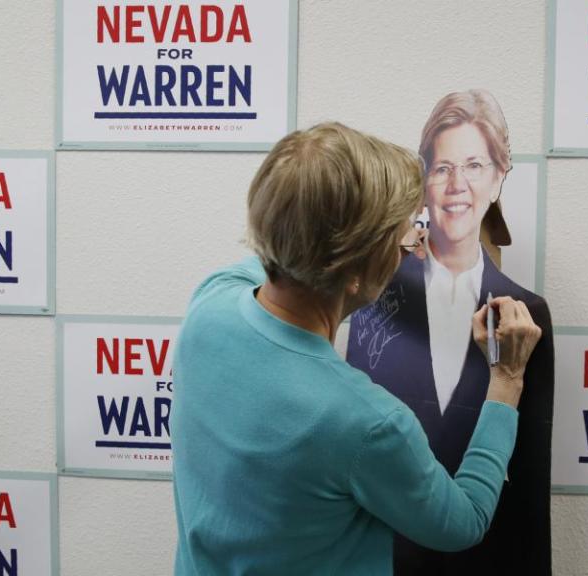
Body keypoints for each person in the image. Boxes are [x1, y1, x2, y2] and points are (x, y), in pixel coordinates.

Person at [171, 122, 543, 575]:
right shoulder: (365, 423)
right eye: (404, 241)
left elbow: (296, 238)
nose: (415, 247)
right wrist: (507, 378)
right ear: (351, 270)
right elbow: (462, 522)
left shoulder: (210, 303)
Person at [346, 90, 555, 575]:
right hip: (384, 559)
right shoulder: (370, 301)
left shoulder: (529, 318)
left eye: (475, 166)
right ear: (422, 179)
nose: (457, 184)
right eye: (442, 168)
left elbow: (528, 482)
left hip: (485, 559)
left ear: (500, 176)